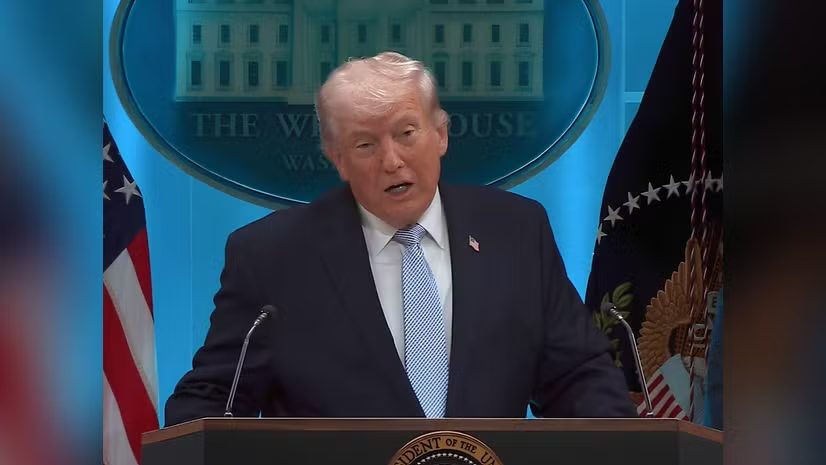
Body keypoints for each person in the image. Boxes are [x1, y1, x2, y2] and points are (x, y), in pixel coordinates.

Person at [165, 52, 635, 425]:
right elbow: (211, 398)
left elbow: (579, 377)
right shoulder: (272, 257)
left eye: (406, 133)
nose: (391, 161)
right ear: (337, 158)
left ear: (441, 134)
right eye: (365, 145)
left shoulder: (516, 232)